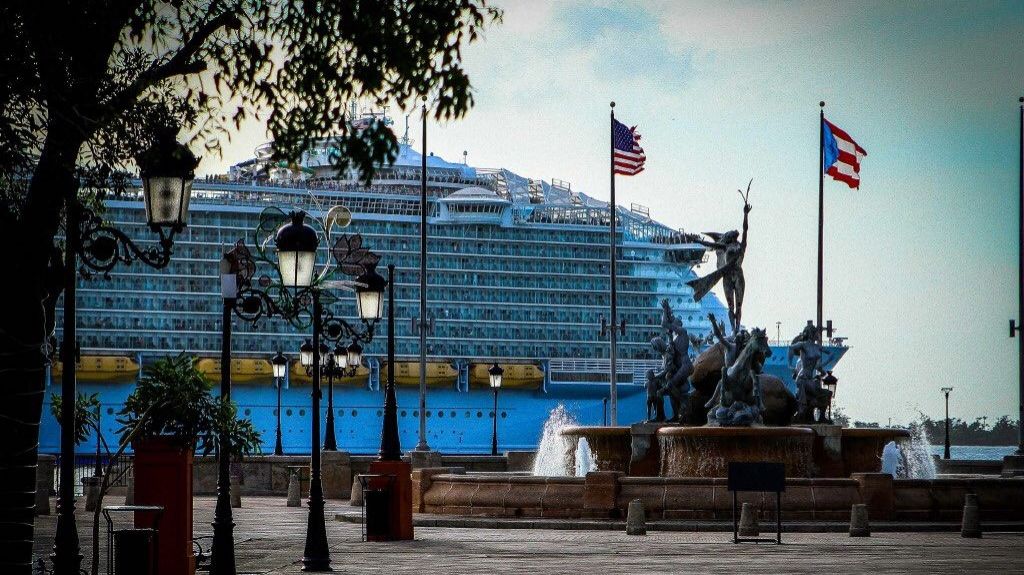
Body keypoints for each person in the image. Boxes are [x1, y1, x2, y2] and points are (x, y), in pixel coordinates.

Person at [687, 182, 752, 334]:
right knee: (731, 306)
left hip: (738, 275)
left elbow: (745, 229)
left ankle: (737, 327)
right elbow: (710, 244)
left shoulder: (741, 245)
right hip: (727, 277)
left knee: (739, 305)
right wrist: (696, 241)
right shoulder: (725, 247)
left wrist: (745, 214)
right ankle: (734, 331)